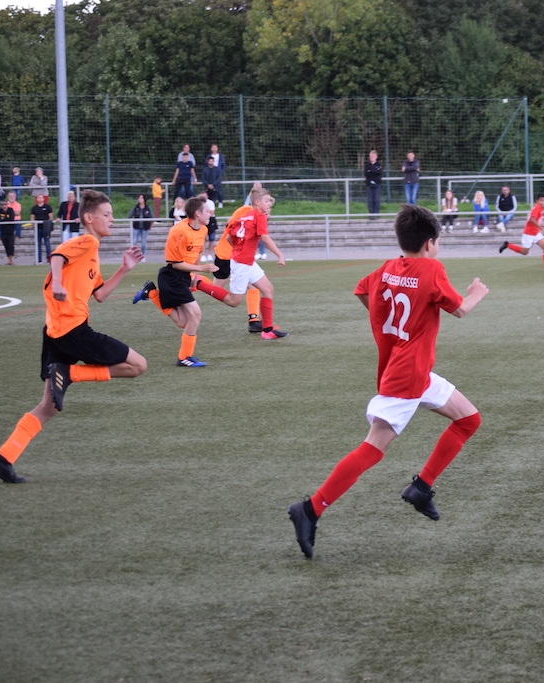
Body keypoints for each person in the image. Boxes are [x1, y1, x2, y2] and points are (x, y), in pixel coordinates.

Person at [286, 204, 489, 559]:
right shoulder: (432, 268)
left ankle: (421, 487)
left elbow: (362, 290)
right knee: (373, 448)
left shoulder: (388, 268)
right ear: (429, 243)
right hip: (407, 377)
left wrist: (391, 327)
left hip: (413, 370)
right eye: (438, 242)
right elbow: (459, 309)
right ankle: (310, 509)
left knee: (469, 419)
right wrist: (477, 293)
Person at [0, 189, 148, 484]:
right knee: (138, 365)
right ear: (89, 218)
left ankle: (3, 458)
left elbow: (100, 295)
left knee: (48, 407)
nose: (112, 219)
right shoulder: (87, 241)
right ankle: (71, 373)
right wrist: (58, 283)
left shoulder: (92, 252)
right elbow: (57, 255)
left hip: (56, 333)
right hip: (73, 330)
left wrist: (124, 269)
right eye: (107, 214)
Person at [132, 196, 219, 367]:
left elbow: (198, 253)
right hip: (172, 276)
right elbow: (175, 263)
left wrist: (195, 275)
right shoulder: (178, 231)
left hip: (185, 277)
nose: (210, 213)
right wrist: (202, 269)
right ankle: (184, 357)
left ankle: (151, 292)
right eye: (207, 211)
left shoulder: (203, 229)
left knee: (183, 322)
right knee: (195, 314)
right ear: (197, 213)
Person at [192, 187, 289, 340]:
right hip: (240, 261)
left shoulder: (247, 215)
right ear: (257, 202)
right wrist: (280, 255)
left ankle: (267, 329)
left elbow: (230, 237)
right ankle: (198, 283)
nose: (270, 204)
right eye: (266, 201)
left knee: (268, 289)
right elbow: (265, 238)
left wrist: (240, 248)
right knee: (233, 301)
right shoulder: (256, 215)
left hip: (244, 259)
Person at [498, 194, 544, 275]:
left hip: (536, 233)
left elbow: (536, 219)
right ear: (537, 201)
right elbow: (532, 219)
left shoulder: (541, 208)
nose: (543, 202)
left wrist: (541, 225)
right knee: (524, 252)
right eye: (541, 200)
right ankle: (507, 245)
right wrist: (541, 227)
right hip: (529, 233)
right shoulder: (537, 207)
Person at [128, 194, 154, 259]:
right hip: (136, 227)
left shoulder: (148, 207)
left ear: (144, 199)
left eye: (141, 198)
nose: (140, 199)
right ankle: (134, 255)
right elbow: (129, 215)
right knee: (134, 242)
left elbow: (152, 217)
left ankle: (142, 256)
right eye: (139, 198)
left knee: (143, 243)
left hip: (145, 227)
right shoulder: (135, 207)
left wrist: (150, 225)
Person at [30, 194, 54, 262]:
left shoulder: (47, 207)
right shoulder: (34, 208)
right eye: (38, 197)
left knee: (47, 243)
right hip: (38, 228)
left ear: (43, 199)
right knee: (38, 244)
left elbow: (51, 217)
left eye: (41, 197)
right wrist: (33, 225)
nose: (40, 199)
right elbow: (32, 217)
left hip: (46, 228)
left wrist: (49, 226)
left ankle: (49, 259)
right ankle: (39, 260)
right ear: (37, 199)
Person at [364, 149, 383, 219]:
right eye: (370, 156)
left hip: (377, 184)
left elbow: (379, 173)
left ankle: (376, 214)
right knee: (370, 200)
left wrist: (371, 171)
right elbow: (366, 173)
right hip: (369, 184)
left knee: (376, 200)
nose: (371, 158)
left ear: (376, 157)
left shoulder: (379, 164)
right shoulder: (367, 165)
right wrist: (374, 172)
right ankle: (371, 214)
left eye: (373, 156)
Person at [0, 198, 16, 265]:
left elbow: (11, 219)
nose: (4, 206)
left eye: (5, 204)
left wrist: (3, 219)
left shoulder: (10, 210)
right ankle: (9, 259)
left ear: (7, 205)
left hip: (10, 231)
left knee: (11, 245)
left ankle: (11, 259)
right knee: (6, 246)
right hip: (3, 231)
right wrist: (5, 219)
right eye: (2, 205)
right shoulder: (0, 211)